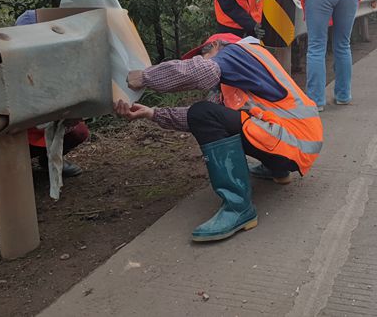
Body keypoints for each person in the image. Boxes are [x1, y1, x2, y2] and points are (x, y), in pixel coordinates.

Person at [116, 33, 323, 242]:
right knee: (209, 115)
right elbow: (204, 120)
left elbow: (200, 76)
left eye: (204, 54)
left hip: (294, 140)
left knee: (202, 111)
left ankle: (238, 207)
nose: (203, 60)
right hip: (296, 144)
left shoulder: (237, 51)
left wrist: (145, 77)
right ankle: (278, 169)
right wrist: (152, 113)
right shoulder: (239, 77)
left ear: (216, 45)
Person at [0, 10, 86, 197]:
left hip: (34, 124)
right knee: (0, 129)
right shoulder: (0, 62)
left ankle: (48, 159)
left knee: (79, 130)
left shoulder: (52, 61)